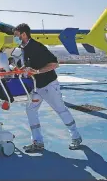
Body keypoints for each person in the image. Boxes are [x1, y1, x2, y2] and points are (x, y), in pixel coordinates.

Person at [13, 23, 82, 153]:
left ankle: (76, 137)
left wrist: (38, 71)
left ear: (24, 34)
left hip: (49, 85)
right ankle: (37, 142)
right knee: (30, 110)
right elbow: (29, 65)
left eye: (16, 35)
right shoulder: (23, 48)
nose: (14, 37)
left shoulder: (37, 47)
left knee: (61, 110)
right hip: (37, 87)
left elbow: (54, 64)